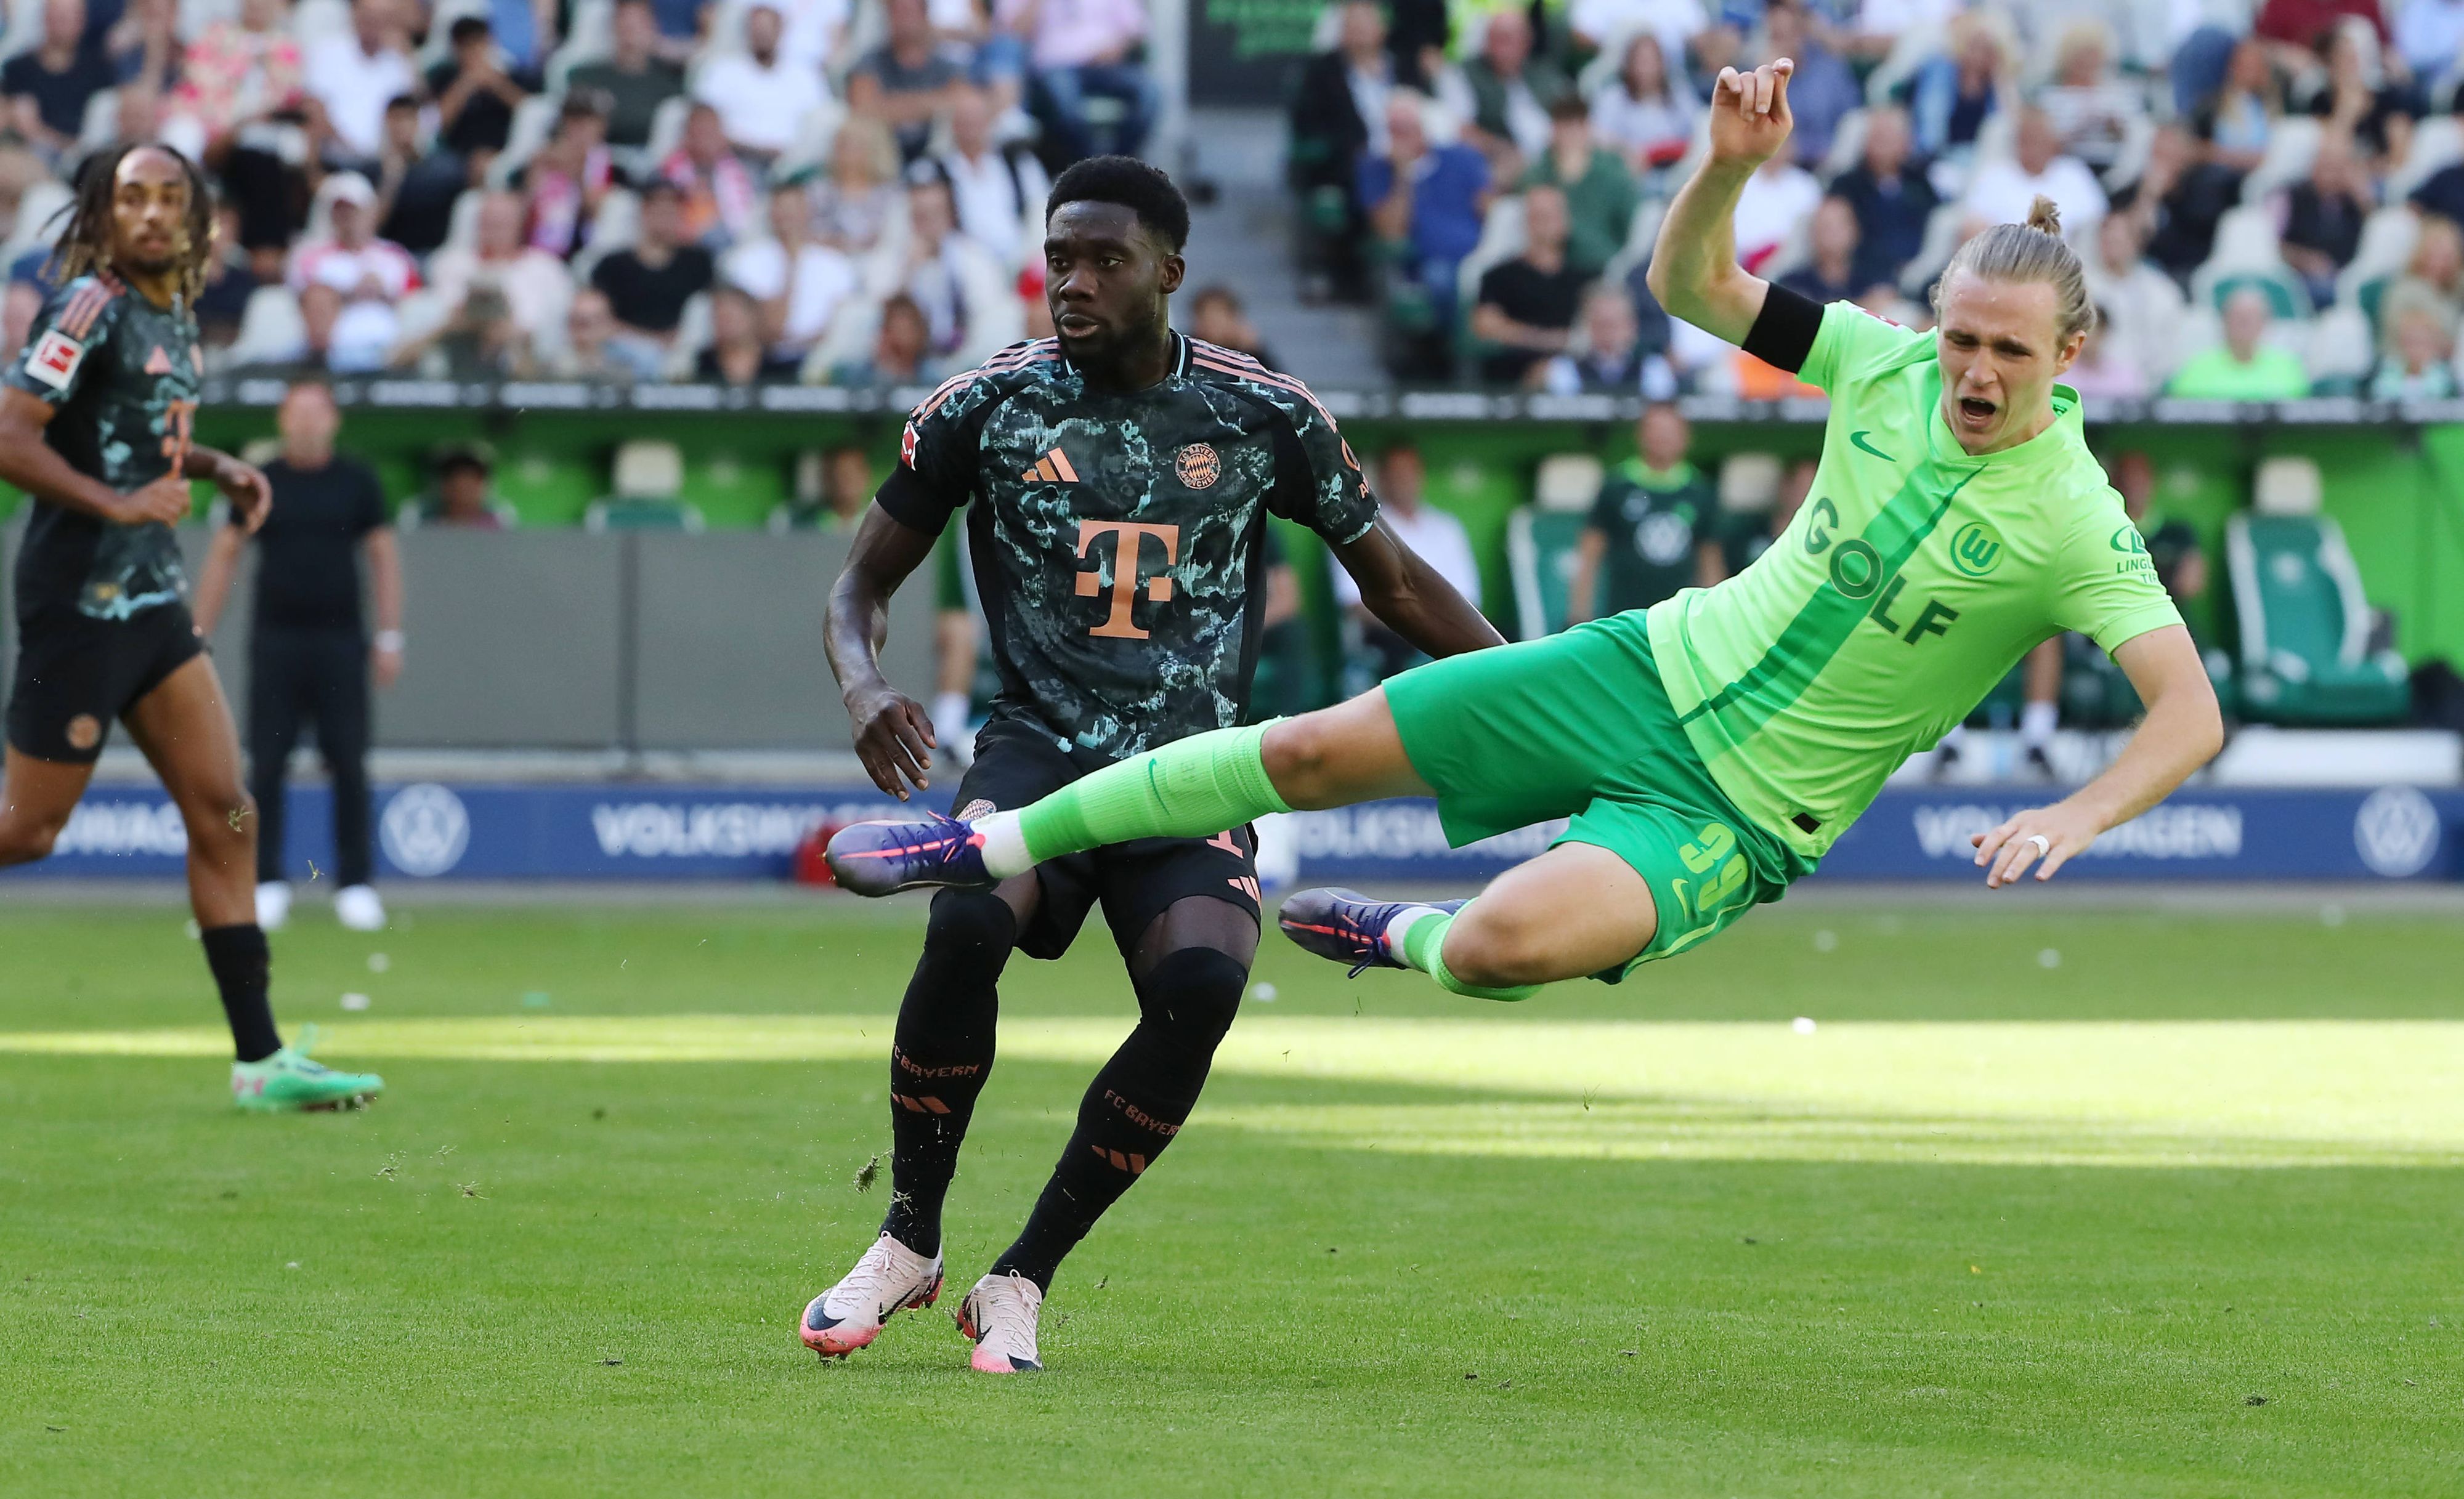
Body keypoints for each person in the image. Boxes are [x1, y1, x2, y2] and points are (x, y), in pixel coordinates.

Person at [829, 60, 2224, 1040]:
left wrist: (2075, 812)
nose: (1970, 369)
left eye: (2003, 351)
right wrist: (1724, 170)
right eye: (1960, 336)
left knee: (1499, 944)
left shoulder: (2073, 515)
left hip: (1737, 816)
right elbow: (1689, 286)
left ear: (2070, 353)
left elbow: (2188, 710)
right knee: (1306, 748)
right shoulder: (1881, 361)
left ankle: (1401, 935)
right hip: (1643, 668)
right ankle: (982, 835)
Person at [801, 156, 1499, 1375]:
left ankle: (1018, 1275)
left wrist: (1539, 694)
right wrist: (864, 685)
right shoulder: (985, 404)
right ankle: (907, 1235)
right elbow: (860, 581)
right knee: (965, 924)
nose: (1071, 281)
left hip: (1192, 768)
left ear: (1167, 272)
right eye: (1057, 256)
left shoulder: (1261, 413)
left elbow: (1392, 583)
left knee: (1200, 985)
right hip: (1035, 750)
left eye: (1102, 260)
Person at [0, 143, 384, 1112]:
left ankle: (260, 1060)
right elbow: (11, 432)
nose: (152, 213)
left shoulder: (174, 310)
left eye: (170, 198)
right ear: (103, 208)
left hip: (153, 605)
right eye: (133, 196)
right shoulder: (86, 304)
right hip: (80, 604)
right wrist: (117, 505)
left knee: (228, 811)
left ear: (198, 217)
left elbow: (136, 431)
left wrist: (217, 467)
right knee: (31, 830)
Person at [191, 380, 399, 935]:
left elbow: (381, 555)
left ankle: (355, 885)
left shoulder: (357, 481)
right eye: (297, 413)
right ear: (283, 420)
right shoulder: (262, 484)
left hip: (340, 642)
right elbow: (227, 552)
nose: (307, 423)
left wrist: (390, 635)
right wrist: (197, 634)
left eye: (317, 412)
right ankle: (266, 882)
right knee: (266, 764)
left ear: (333, 420)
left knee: (350, 763)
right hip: (276, 641)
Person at [1335, 443, 1483, 682]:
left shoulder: (1447, 527)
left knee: (1502, 641)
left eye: (1409, 472)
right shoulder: (1360, 527)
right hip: (1391, 629)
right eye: (1395, 473)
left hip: (1449, 626)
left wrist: (1441, 628)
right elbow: (1354, 604)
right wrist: (1419, 625)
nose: (1403, 480)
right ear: (1381, 477)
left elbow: (1469, 597)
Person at [1568, 403, 1722, 623]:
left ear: (1686, 438)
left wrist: (1715, 615)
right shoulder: (1617, 485)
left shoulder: (1700, 491)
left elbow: (1709, 558)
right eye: (1656, 431)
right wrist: (1579, 612)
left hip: (1679, 619)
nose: (1662, 439)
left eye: (1669, 432)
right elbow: (1590, 552)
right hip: (1623, 615)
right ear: (1640, 435)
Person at [590, 179, 715, 370]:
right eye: (657, 210)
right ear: (643, 212)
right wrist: (649, 342)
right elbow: (600, 317)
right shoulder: (613, 266)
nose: (664, 218)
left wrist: (674, 342)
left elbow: (705, 313)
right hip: (625, 355)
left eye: (671, 210)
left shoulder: (698, 262)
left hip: (683, 354)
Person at [1470, 183, 1586, 387]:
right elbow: (1486, 325)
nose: (1545, 224)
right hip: (1510, 372)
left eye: (1551, 216)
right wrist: (1546, 340)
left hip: (1576, 372)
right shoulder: (1499, 276)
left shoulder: (1584, 277)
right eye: (1538, 216)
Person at [693, 2, 827, 162]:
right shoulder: (722, 72)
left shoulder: (806, 75)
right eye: (757, 28)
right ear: (747, 30)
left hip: (790, 163)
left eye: (768, 28)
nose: (763, 34)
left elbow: (820, 121)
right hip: (735, 158)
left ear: (781, 29)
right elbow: (702, 119)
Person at [848, 0, 970, 162]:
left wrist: (891, 106)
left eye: (909, 11)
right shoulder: (870, 62)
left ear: (925, 15)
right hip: (883, 158)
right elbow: (862, 109)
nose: (904, 19)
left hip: (937, 157)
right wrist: (933, 104)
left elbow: (963, 105)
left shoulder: (947, 66)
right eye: (897, 12)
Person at [4, 0, 120, 165]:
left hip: (90, 157)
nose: (63, 23)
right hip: (38, 157)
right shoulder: (18, 69)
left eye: (70, 17)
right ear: (45, 19)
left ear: (83, 21)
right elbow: (28, 126)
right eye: (58, 17)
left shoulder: (100, 68)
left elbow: (104, 122)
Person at [567, 0, 685, 150]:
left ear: (653, 26)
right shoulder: (586, 77)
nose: (630, 31)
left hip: (649, 164)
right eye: (624, 22)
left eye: (637, 24)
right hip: (595, 159)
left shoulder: (669, 82)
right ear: (613, 26)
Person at [2166, 286, 2311, 399]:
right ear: (2224, 321)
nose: (2244, 324)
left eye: (2251, 318)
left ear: (2265, 323)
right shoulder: (2196, 368)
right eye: (2237, 317)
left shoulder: (2288, 368)